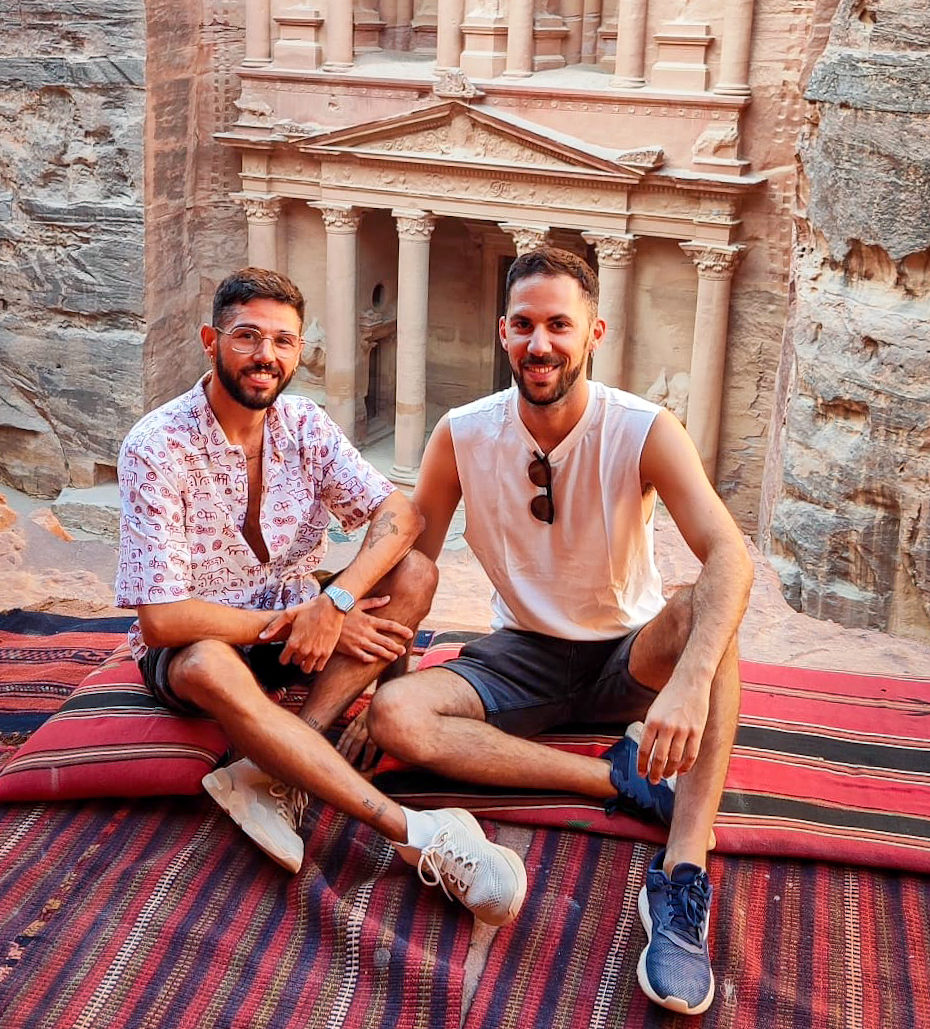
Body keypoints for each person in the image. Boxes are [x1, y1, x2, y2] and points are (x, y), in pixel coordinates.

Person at [365, 248, 753, 1016]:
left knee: (711, 610)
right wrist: (380, 686)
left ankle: (680, 874)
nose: (539, 343)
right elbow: (414, 567)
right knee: (396, 716)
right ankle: (621, 779)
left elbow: (730, 555)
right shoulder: (462, 434)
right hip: (523, 658)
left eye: (558, 325)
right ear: (503, 332)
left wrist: (686, 680)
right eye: (524, 325)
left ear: (593, 332)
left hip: (627, 655)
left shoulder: (643, 427)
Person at [114, 266, 526, 927]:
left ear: (299, 349)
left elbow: (401, 515)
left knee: (415, 573)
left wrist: (336, 605)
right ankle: (415, 832)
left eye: (283, 340)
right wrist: (295, 622)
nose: (266, 356)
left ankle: (280, 768)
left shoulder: (303, 423)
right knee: (205, 663)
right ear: (210, 340)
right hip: (203, 638)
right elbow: (161, 619)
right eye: (247, 336)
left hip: (300, 617)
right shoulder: (157, 445)